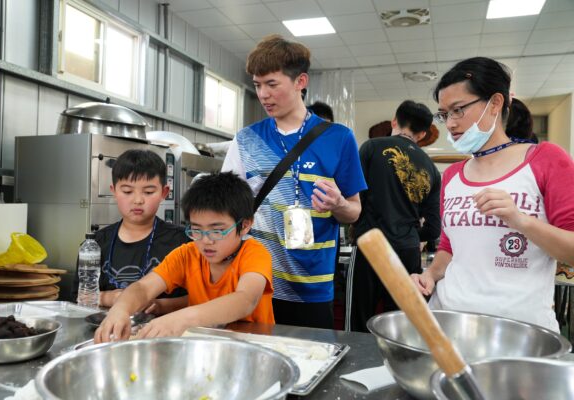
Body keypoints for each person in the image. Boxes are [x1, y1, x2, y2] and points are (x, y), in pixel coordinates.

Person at [410, 57, 574, 332]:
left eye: (458, 110)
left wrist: (520, 220)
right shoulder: (452, 176)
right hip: (450, 321)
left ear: (495, 104)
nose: (449, 124)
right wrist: (430, 274)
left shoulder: (546, 160)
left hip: (519, 330)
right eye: (443, 114)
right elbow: (450, 247)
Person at [222, 34, 367, 329]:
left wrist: (338, 203)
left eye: (272, 84)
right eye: (257, 85)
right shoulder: (247, 139)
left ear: (300, 81)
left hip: (312, 286)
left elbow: (354, 211)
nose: (263, 94)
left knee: (312, 361)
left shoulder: (338, 138)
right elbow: (226, 207)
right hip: (256, 281)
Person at [94, 172, 274, 342]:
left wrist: (182, 318)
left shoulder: (254, 254)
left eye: (217, 231)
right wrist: (120, 310)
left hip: (250, 344)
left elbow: (246, 300)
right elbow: (143, 287)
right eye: (196, 230)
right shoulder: (187, 254)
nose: (205, 241)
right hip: (203, 343)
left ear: (244, 225)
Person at [350, 100, 441, 332]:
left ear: (394, 121)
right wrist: (409, 232)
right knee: (400, 324)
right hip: (408, 251)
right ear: (422, 134)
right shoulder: (430, 168)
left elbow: (354, 199)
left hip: (371, 246)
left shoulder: (371, 147)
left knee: (360, 320)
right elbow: (433, 229)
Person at [71, 150, 189, 311]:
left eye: (148, 192)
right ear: (113, 191)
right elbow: (77, 295)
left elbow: (199, 297)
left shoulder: (182, 241)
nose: (138, 200)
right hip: (104, 329)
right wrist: (109, 298)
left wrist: (160, 305)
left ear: (164, 193)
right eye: (127, 191)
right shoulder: (95, 244)